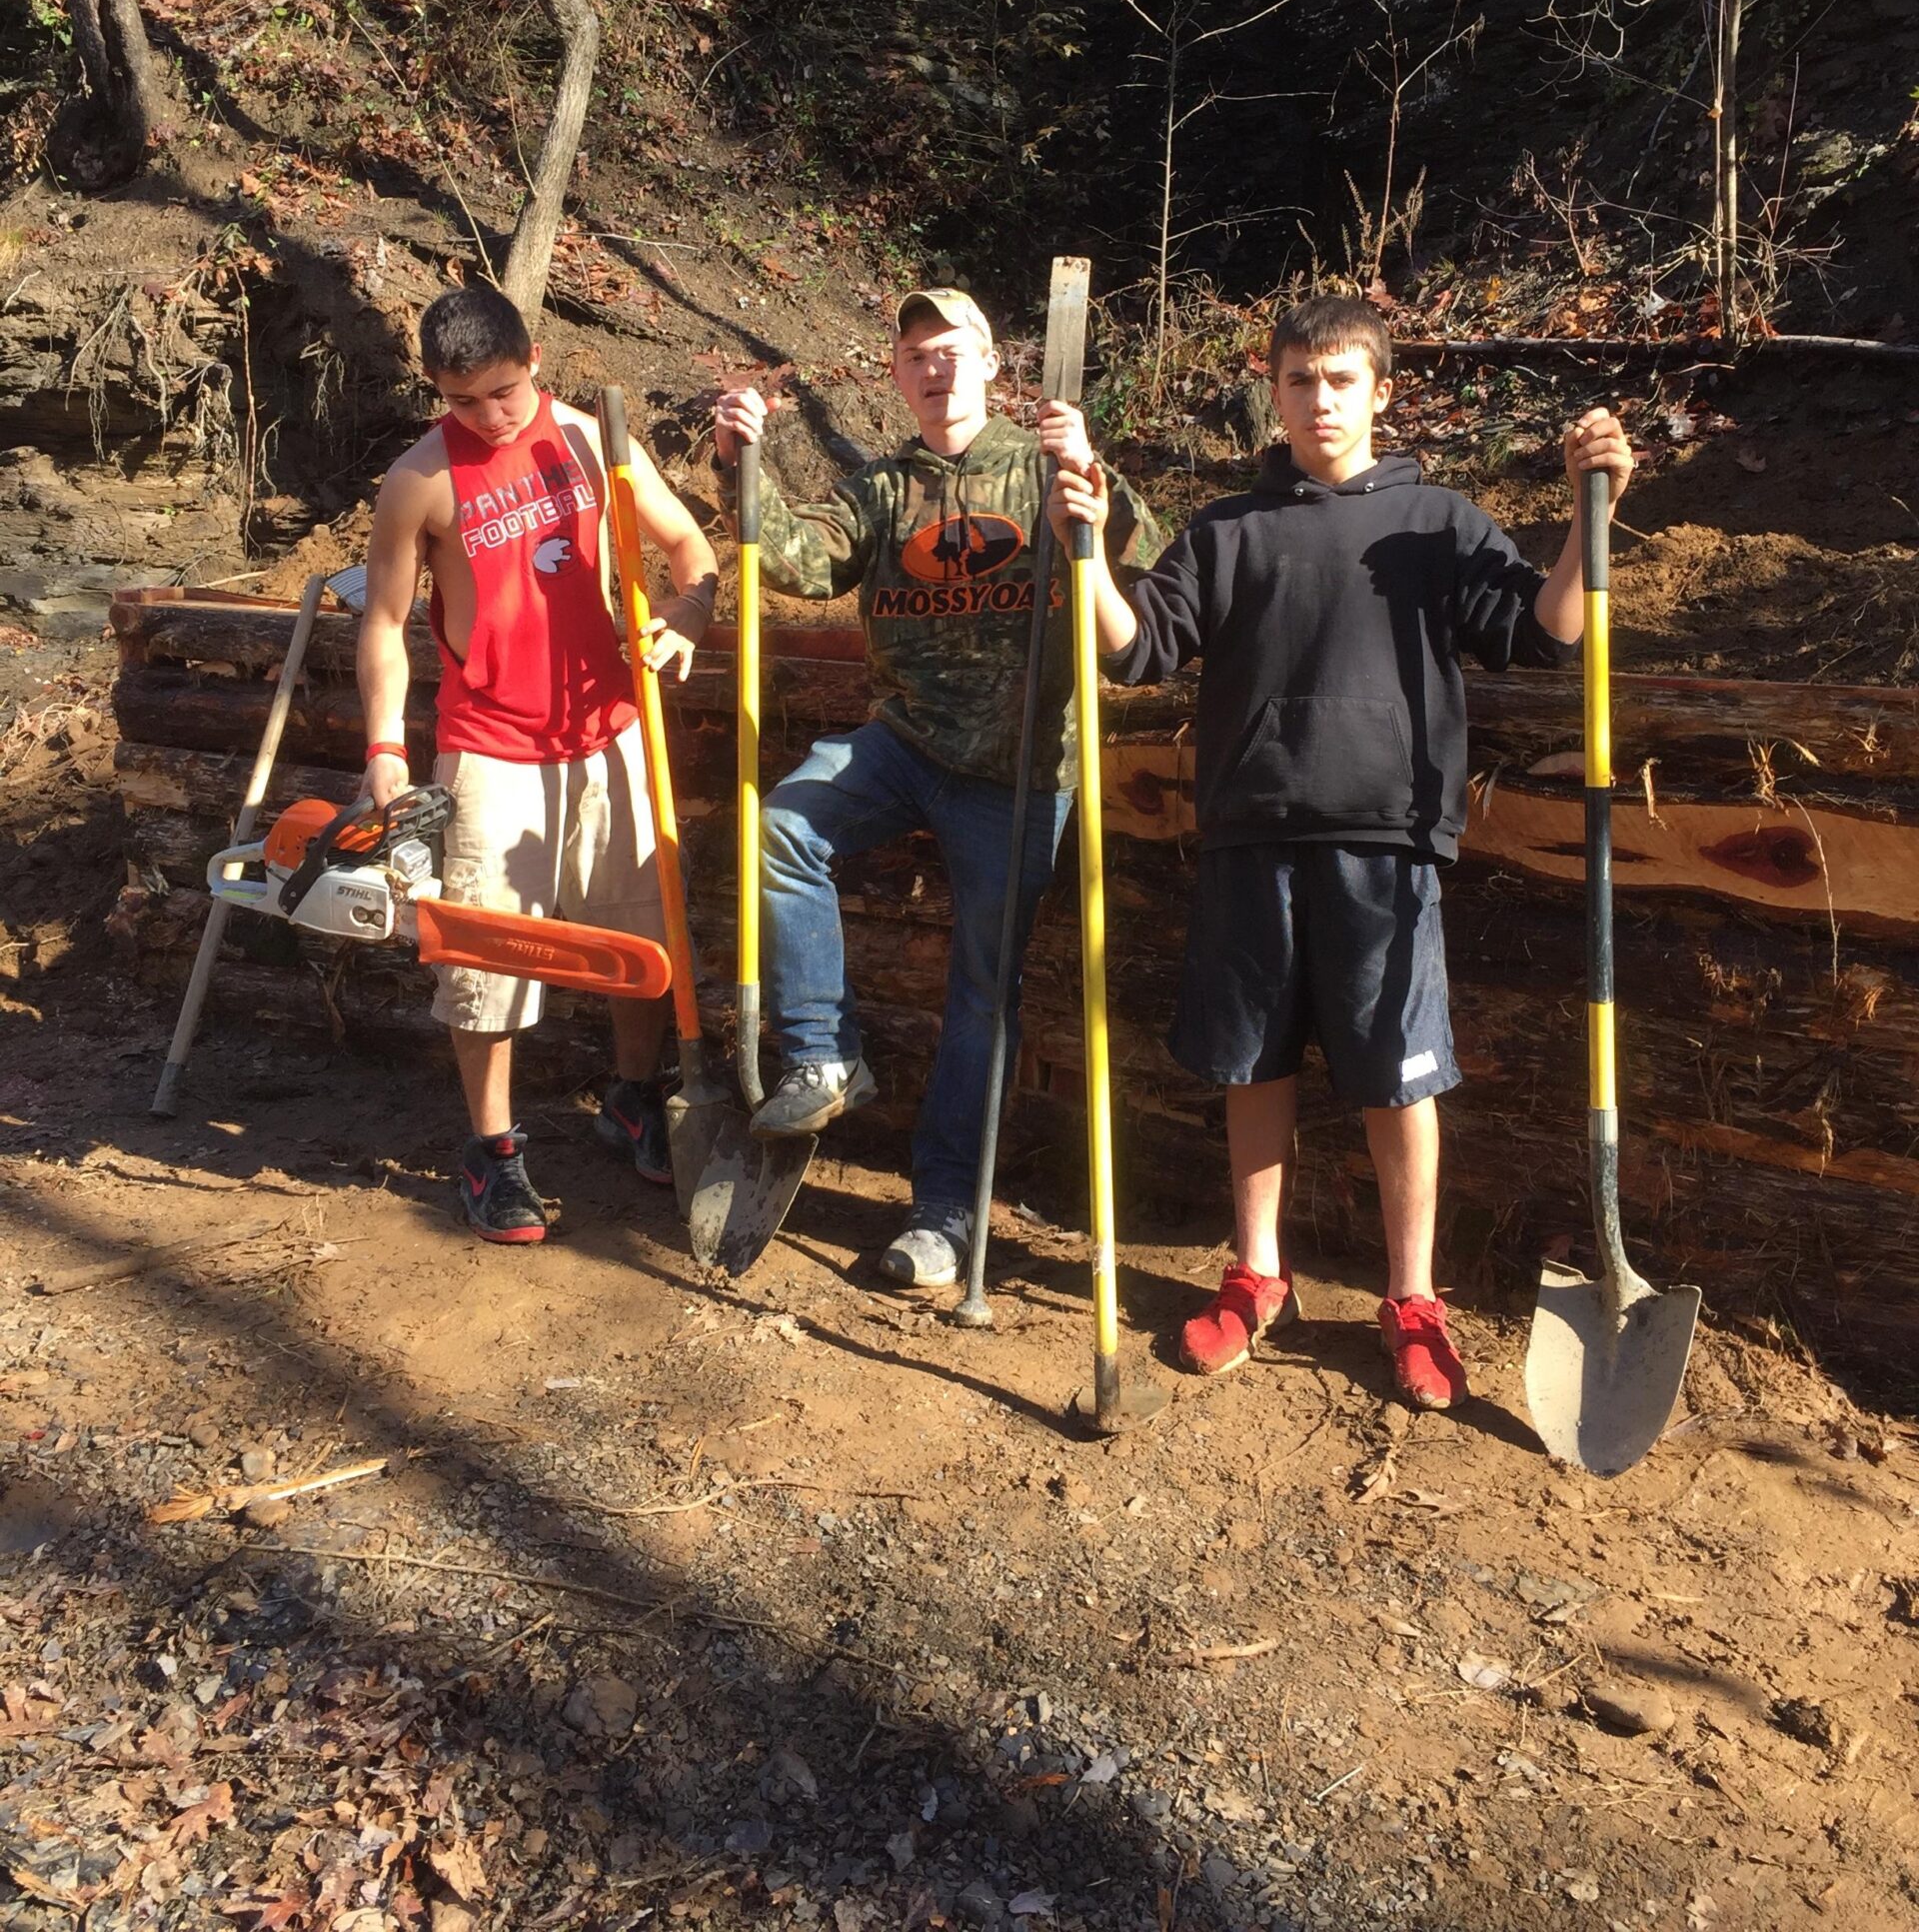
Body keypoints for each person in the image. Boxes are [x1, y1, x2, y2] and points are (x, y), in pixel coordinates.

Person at [1042, 292, 1632, 1408]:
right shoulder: (1226, 529)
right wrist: (1089, 555)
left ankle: (1413, 1304)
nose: (1321, 401)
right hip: (1248, 837)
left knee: (1398, 1080)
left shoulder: (1436, 523)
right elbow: (1137, 651)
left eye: (1342, 380)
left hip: (1390, 845)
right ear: (1272, 392)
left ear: (1381, 392)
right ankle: (1259, 1275)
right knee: (1252, 1065)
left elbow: (1545, 631)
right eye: (1300, 381)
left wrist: (1584, 517)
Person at [713, 289, 1163, 1288]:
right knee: (780, 826)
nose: (936, 369)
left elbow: (1149, 554)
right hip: (903, 744)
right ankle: (826, 1055)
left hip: (1023, 765)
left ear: (993, 362)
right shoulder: (883, 491)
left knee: (981, 995)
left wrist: (1089, 475)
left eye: (953, 350)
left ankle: (946, 1218)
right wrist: (741, 463)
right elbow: (797, 556)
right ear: (896, 374)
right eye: (917, 354)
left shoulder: (1045, 461)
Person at [357, 286, 717, 1243]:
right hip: (489, 742)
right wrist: (386, 746)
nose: (490, 416)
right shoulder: (419, 477)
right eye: (463, 400)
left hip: (610, 729)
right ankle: (494, 1152)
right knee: (484, 960)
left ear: (538, 358)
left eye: (505, 392)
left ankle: (634, 1099)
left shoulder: (593, 441)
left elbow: (692, 551)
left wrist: (685, 620)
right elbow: (385, 622)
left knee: (642, 938)